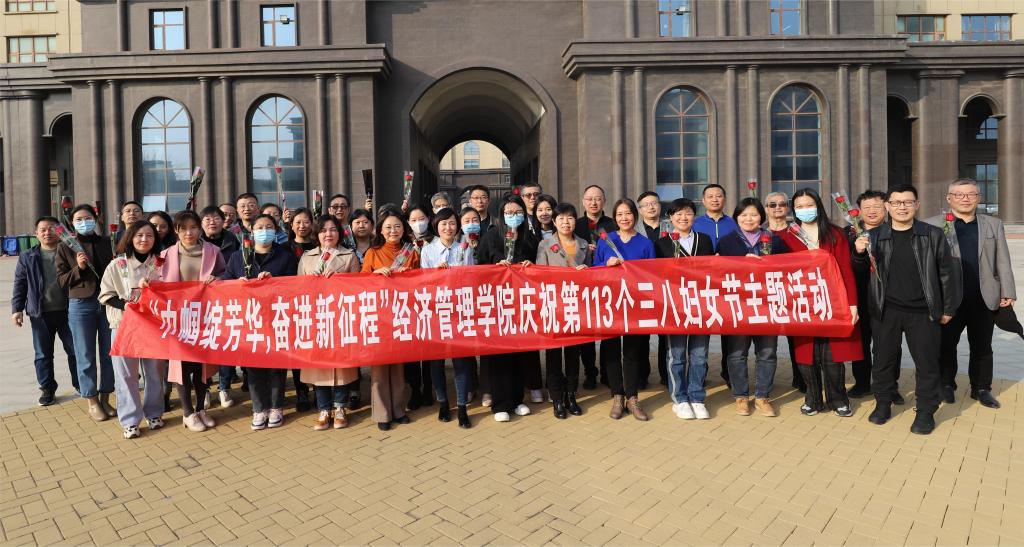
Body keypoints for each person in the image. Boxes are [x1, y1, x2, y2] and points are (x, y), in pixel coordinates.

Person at [853, 185, 959, 435]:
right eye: (896, 202)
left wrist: (948, 307)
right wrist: (858, 253)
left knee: (927, 364)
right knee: (883, 362)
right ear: (887, 206)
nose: (902, 207)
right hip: (886, 310)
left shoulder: (932, 234)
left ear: (917, 205)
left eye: (908, 202)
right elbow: (859, 273)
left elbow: (947, 273)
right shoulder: (873, 236)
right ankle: (883, 404)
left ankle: (925, 411)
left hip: (923, 311)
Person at [926, 179, 1016, 409]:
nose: (965, 199)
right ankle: (946, 384)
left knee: (982, 347)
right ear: (949, 198)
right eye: (959, 194)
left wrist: (1008, 291)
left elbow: (1003, 260)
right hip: (949, 300)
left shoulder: (993, 224)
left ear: (978, 198)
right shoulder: (932, 225)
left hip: (984, 297)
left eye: (971, 194)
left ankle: (982, 388)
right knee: (946, 345)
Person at [775, 189, 861, 418]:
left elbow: (846, 270)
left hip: (832, 300)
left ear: (818, 205)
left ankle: (838, 399)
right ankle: (812, 399)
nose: (805, 210)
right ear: (794, 210)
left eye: (809, 205)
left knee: (833, 352)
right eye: (800, 207)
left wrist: (852, 304)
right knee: (807, 352)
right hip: (801, 302)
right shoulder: (787, 236)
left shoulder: (834, 233)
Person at [222, 213, 299, 430]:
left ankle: (276, 406)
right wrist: (237, 284)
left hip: (276, 318)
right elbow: (225, 283)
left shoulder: (285, 256)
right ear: (252, 231)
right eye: (259, 227)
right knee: (254, 367)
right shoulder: (238, 257)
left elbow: (294, 285)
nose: (264, 231)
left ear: (276, 230)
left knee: (277, 366)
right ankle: (259, 408)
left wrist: (274, 282)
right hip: (249, 320)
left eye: (269, 227)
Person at [717, 197, 790, 417]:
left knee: (767, 352)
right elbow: (719, 272)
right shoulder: (726, 242)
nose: (749, 219)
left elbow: (787, 269)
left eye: (754, 214)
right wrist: (741, 263)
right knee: (737, 353)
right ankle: (740, 396)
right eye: (744, 215)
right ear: (736, 217)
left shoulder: (774, 241)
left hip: (767, 305)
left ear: (762, 216)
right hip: (738, 305)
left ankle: (762, 396)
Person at [155, 210, 225, 432]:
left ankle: (201, 408)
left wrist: (218, 279)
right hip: (178, 319)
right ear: (176, 231)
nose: (189, 232)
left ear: (200, 228)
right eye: (183, 228)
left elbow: (226, 275)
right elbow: (156, 280)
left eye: (193, 227)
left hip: (205, 317)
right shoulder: (165, 255)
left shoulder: (213, 251)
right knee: (182, 366)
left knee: (201, 366)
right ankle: (187, 413)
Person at [98, 220, 167, 438]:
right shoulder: (117, 265)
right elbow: (106, 295)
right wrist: (126, 305)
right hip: (124, 327)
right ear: (130, 238)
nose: (144, 239)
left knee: (154, 373)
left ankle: (154, 413)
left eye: (149, 235)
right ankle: (130, 420)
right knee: (126, 374)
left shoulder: (161, 264)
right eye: (139, 235)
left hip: (153, 327)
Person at [477, 194, 540, 422]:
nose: (514, 217)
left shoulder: (529, 237)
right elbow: (480, 266)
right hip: (496, 304)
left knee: (519, 351)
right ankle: (500, 404)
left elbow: (539, 265)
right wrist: (496, 266)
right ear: (501, 215)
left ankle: (517, 399)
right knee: (499, 354)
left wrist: (530, 266)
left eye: (518, 213)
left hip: (521, 303)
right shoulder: (491, 236)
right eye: (509, 213)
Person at [594, 198, 655, 421]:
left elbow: (651, 275)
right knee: (611, 351)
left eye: (628, 213)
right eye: (619, 214)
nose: (624, 218)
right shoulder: (606, 241)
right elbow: (594, 270)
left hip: (635, 304)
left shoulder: (645, 243)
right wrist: (605, 265)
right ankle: (617, 395)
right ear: (614, 218)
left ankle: (632, 397)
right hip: (610, 303)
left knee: (632, 352)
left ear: (635, 216)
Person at [298, 215, 361, 430]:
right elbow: (297, 289)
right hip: (316, 318)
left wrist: (341, 279)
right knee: (320, 366)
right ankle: (324, 409)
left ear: (339, 233)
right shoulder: (307, 257)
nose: (328, 234)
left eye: (333, 229)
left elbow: (359, 287)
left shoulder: (349, 256)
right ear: (317, 234)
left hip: (340, 317)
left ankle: (340, 407)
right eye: (323, 230)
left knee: (341, 366)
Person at [654, 199, 714, 419]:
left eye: (688, 213)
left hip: (701, 305)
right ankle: (679, 399)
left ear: (694, 216)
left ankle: (697, 397)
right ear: (670, 218)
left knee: (699, 355)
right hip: (675, 307)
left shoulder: (704, 240)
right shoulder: (662, 244)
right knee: (677, 355)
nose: (683, 218)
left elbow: (713, 270)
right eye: (678, 214)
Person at [56, 204, 116, 421]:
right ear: (72, 223)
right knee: (85, 355)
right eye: (79, 219)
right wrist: (79, 268)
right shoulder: (66, 246)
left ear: (96, 219)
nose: (84, 222)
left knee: (110, 353)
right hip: (81, 305)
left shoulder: (108, 242)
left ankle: (106, 397)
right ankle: (92, 401)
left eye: (87, 218)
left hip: (108, 303)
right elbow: (61, 280)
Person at [12, 216, 79, 406]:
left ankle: (80, 384)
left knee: (75, 350)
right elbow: (20, 283)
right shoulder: (28, 256)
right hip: (40, 314)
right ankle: (47, 389)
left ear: (59, 231)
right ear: (36, 234)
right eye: (43, 229)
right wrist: (17, 309)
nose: (47, 232)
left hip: (68, 311)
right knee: (43, 354)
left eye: (51, 228)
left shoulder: (70, 252)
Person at [362, 208, 419, 431]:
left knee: (398, 365)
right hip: (379, 316)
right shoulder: (372, 253)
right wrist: (375, 274)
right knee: (379, 367)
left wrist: (410, 275)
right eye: (388, 227)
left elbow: (423, 282)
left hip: (402, 315)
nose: (393, 230)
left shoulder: (411, 252)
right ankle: (382, 413)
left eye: (397, 226)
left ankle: (398, 409)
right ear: (380, 231)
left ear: (403, 229)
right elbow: (360, 284)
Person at [420, 207, 476, 428]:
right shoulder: (428, 250)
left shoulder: (465, 248)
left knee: (461, 361)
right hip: (436, 312)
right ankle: (443, 403)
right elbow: (422, 282)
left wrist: (457, 273)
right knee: (436, 362)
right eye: (444, 223)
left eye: (452, 223)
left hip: (459, 311)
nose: (448, 227)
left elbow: (471, 278)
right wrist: (436, 273)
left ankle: (462, 407)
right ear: (436, 226)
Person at [535, 203, 590, 419]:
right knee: (554, 354)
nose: (565, 222)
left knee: (573, 354)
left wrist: (586, 272)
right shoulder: (545, 244)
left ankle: (571, 394)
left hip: (576, 306)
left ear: (576, 220)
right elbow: (539, 275)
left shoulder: (584, 244)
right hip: (554, 306)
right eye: (561, 218)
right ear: (554, 222)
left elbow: (593, 277)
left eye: (570, 218)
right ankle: (557, 398)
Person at [844, 190, 899, 400]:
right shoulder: (848, 233)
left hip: (888, 298)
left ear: (886, 207)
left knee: (888, 345)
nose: (872, 211)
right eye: (866, 207)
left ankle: (890, 386)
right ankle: (862, 383)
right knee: (860, 343)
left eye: (876, 206)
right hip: (858, 298)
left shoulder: (895, 230)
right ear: (858, 211)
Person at [573, 184, 616, 389]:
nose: (593, 202)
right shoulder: (576, 224)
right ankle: (590, 372)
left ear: (604, 201)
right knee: (587, 332)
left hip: (608, 284)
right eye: (589, 199)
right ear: (583, 202)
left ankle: (608, 372)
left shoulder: (613, 224)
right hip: (583, 286)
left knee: (609, 330)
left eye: (598, 199)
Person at [199, 205, 242, 408]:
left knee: (226, 344)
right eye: (207, 219)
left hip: (226, 300)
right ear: (201, 223)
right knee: (204, 346)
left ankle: (224, 387)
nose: (212, 222)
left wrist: (221, 279)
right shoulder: (196, 242)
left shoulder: (233, 239)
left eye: (216, 218)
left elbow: (237, 266)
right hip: (200, 303)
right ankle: (204, 388)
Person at [763, 191, 805, 393]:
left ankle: (801, 378)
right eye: (773, 204)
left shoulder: (798, 231)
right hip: (767, 295)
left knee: (797, 339)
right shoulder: (758, 232)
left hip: (793, 293)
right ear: (766, 209)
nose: (778, 207)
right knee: (766, 343)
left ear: (788, 207)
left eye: (782, 204)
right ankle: (764, 384)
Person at [404, 204, 434, 410]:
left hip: (431, 302)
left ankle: (429, 389)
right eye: (413, 220)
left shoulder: (436, 241)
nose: (418, 223)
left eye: (421, 219)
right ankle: (415, 390)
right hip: (409, 303)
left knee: (430, 351)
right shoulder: (405, 245)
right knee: (412, 352)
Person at [637, 190, 667, 388]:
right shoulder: (634, 230)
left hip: (665, 288)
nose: (651, 207)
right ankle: (642, 375)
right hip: (642, 289)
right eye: (646, 204)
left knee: (666, 334)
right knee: (641, 335)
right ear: (640, 210)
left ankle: (666, 374)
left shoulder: (671, 226)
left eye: (654, 203)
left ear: (660, 206)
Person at [693, 184, 739, 251]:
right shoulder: (694, 224)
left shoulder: (734, 223)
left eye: (718, 196)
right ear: (703, 201)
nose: (714, 200)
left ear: (725, 199)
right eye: (710, 196)